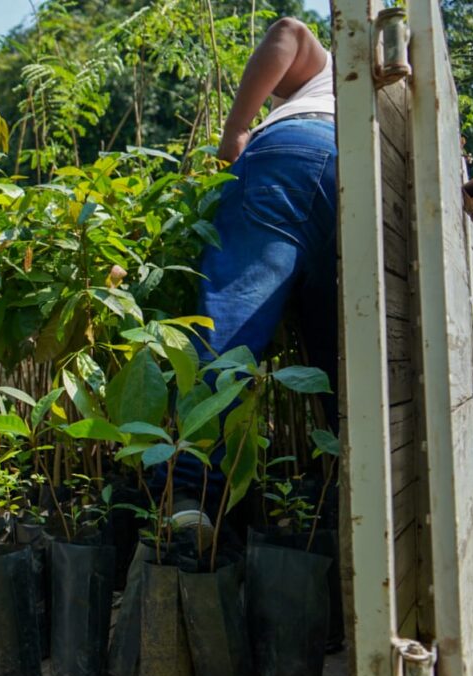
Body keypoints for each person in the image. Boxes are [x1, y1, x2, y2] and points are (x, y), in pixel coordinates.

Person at [167, 17, 338, 518]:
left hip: (293, 155)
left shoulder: (327, 75)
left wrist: (237, 128)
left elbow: (288, 31)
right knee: (337, 354)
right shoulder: (392, 93)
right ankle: (345, 498)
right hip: (365, 183)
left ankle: (192, 500)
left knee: (230, 330)